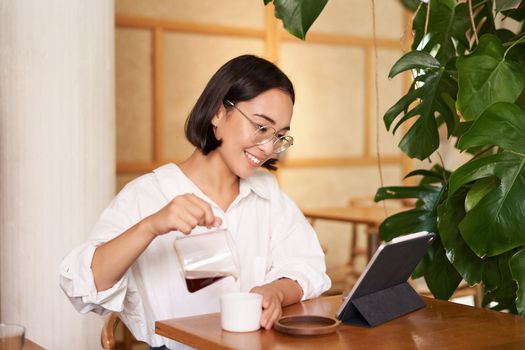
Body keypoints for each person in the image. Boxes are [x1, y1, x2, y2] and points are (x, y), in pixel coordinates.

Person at [60, 54, 331, 350]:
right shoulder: (151, 194)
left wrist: (276, 291)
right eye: (260, 127)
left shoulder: (267, 193)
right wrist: (151, 226)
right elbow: (82, 286)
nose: (268, 147)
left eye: (280, 136)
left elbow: (308, 267)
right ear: (218, 113)